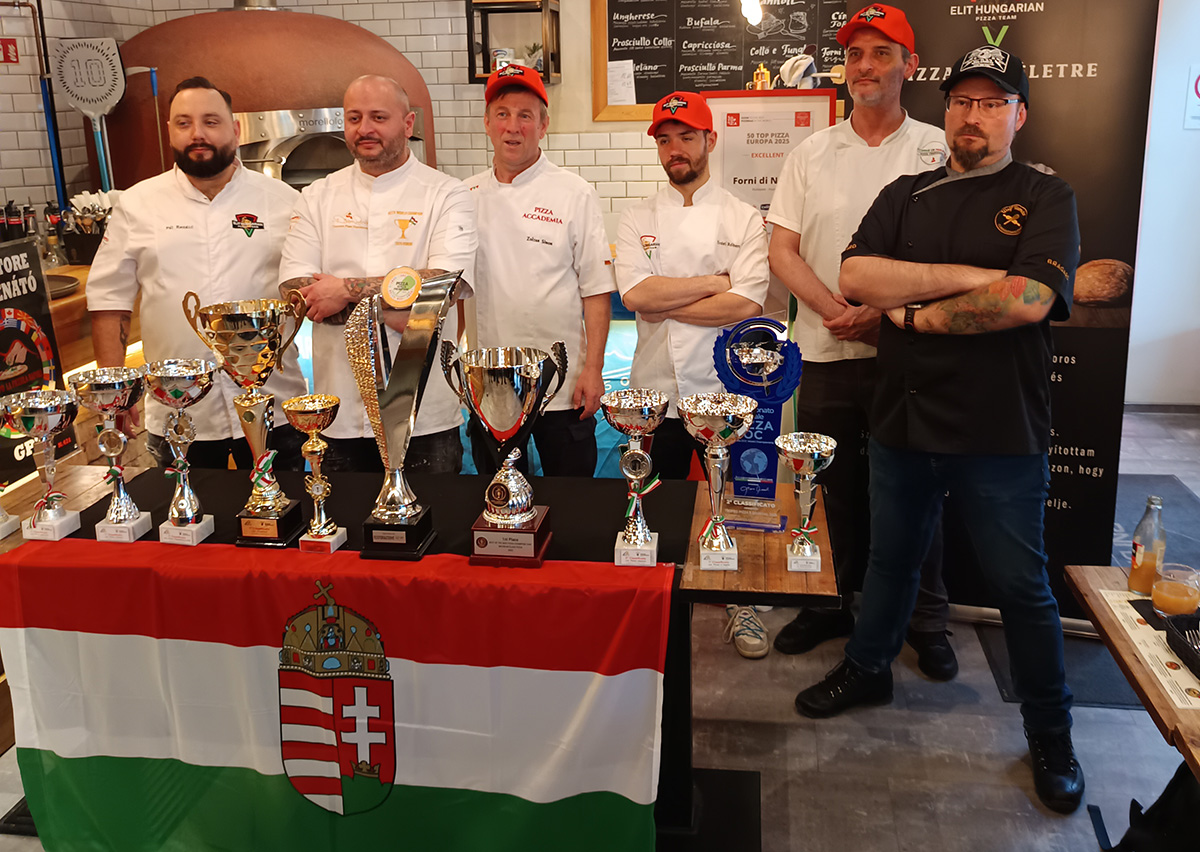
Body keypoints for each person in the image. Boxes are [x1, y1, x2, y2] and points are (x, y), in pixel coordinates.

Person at [794, 46, 1085, 814]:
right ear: (946, 110)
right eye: (962, 101)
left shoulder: (1046, 196)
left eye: (992, 103)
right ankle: (869, 667)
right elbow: (857, 276)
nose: (973, 116)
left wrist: (916, 313)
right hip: (904, 416)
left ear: (1020, 115)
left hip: (1002, 430)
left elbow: (1031, 301)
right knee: (891, 560)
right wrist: (981, 279)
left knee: (1022, 588)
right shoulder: (906, 192)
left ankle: (1050, 732)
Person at [767, 4, 957, 680]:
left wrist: (881, 316)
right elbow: (782, 250)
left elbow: (954, 256)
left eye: (881, 53)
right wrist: (834, 309)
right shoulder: (811, 153)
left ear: (910, 65)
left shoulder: (938, 148)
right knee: (829, 490)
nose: (865, 66)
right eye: (854, 54)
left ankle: (927, 620)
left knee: (917, 494)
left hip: (911, 354)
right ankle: (830, 602)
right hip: (824, 352)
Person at [615, 92, 769, 658]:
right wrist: (712, 283)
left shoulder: (741, 216)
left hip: (720, 388)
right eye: (664, 139)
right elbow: (636, 295)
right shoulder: (637, 216)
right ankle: (651, 601)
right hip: (654, 388)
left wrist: (667, 302)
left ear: (710, 140)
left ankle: (737, 598)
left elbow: (746, 304)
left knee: (728, 496)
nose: (673, 148)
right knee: (650, 498)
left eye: (685, 136)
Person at [87, 76, 307, 471]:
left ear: (235, 130)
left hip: (274, 401)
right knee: (184, 509)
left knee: (282, 506)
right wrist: (114, 389)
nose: (197, 134)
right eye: (184, 123)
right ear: (170, 131)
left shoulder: (284, 202)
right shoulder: (137, 204)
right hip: (177, 409)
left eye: (211, 121)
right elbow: (109, 300)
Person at [279, 75, 476, 474]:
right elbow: (296, 291)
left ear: (407, 123)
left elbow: (446, 283)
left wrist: (343, 289)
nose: (364, 128)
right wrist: (400, 309)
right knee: (342, 514)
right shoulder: (317, 196)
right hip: (338, 411)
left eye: (378, 117)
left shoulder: (446, 193)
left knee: (433, 512)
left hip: (425, 413)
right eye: (354, 118)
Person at [464, 64, 614, 477]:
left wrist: (594, 369)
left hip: (560, 383)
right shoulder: (464, 196)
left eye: (525, 115)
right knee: (499, 494)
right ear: (487, 123)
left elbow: (596, 290)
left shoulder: (574, 193)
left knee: (571, 495)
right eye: (502, 114)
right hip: (490, 382)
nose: (513, 126)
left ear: (544, 126)